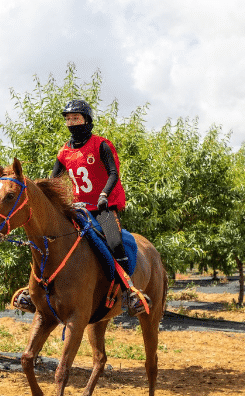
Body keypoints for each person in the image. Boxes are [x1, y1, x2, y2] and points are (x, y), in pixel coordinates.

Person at [12, 99, 148, 316]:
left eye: (76, 118)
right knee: (47, 237)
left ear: (87, 120)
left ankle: (129, 291)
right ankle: (33, 290)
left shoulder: (101, 145)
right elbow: (54, 181)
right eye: (68, 119)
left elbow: (113, 173)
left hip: (103, 207)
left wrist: (104, 194)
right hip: (79, 208)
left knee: (114, 241)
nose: (72, 122)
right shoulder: (64, 151)